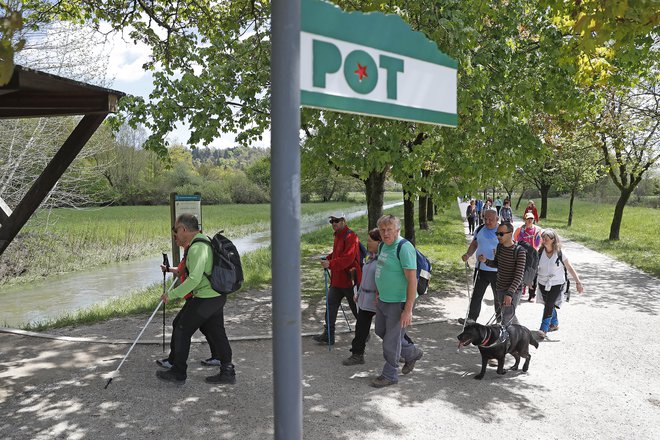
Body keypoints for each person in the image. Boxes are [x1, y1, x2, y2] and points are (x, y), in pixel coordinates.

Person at [156, 214, 235, 385]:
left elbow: (194, 279)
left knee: (182, 328)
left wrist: (172, 295)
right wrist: (171, 270)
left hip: (206, 297)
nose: (175, 234)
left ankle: (178, 372)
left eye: (176, 230)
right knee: (216, 332)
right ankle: (227, 372)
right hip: (216, 296)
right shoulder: (202, 241)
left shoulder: (197, 247)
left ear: (184, 229)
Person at [371, 214, 423, 388]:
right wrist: (379, 292)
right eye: (382, 230)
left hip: (399, 302)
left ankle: (390, 374)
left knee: (391, 341)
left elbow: (412, 280)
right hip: (384, 299)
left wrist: (408, 310)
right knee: (381, 331)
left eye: (389, 230)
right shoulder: (382, 247)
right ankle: (412, 353)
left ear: (397, 230)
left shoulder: (404, 247)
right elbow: (381, 270)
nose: (385, 233)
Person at [156, 241, 224, 369]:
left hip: (198, 296)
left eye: (176, 234)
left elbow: (190, 276)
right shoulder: (193, 249)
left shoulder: (193, 249)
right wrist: (169, 269)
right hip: (205, 296)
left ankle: (174, 362)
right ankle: (218, 357)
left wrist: (171, 294)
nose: (176, 239)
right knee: (209, 327)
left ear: (184, 232)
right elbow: (182, 270)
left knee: (180, 326)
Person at [313, 212, 361, 345]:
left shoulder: (351, 236)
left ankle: (364, 332)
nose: (334, 223)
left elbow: (348, 258)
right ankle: (328, 334)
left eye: (337, 220)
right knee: (330, 305)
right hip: (337, 280)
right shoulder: (338, 236)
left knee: (356, 309)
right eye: (332, 221)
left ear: (343, 221)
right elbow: (337, 253)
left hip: (349, 280)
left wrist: (331, 264)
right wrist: (328, 258)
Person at [342, 228, 381, 366]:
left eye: (371, 240)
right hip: (365, 299)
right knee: (361, 327)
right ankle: (357, 354)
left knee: (388, 329)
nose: (368, 243)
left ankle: (407, 350)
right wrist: (358, 293)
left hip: (379, 301)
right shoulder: (369, 257)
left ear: (379, 242)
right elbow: (365, 277)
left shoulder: (384, 259)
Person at [536, 229, 584, 339]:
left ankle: (543, 328)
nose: (544, 240)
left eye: (547, 239)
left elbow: (570, 268)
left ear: (553, 240)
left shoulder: (560, 253)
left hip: (557, 283)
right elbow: (534, 267)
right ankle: (554, 323)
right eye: (543, 238)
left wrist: (578, 282)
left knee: (549, 303)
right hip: (543, 282)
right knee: (547, 303)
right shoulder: (540, 252)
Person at [478, 221, 526, 326]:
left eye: (501, 234)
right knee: (507, 315)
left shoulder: (520, 251)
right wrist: (485, 261)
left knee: (506, 319)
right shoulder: (500, 247)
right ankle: (521, 335)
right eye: (497, 233)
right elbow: (497, 264)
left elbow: (519, 276)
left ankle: (506, 340)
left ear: (510, 233)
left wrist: (509, 294)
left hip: (512, 290)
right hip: (500, 288)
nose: (498, 236)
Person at [460, 208, 500, 324]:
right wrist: (468, 254)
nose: (487, 222)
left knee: (498, 297)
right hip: (481, 268)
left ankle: (500, 321)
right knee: (476, 295)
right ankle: (471, 319)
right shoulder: (480, 229)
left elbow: (510, 247)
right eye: (485, 218)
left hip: (497, 270)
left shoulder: (502, 230)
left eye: (491, 220)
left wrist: (498, 254)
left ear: (497, 219)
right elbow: (474, 243)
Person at [514, 212, 542, 300]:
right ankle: (523, 287)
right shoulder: (520, 229)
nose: (530, 221)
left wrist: (537, 237)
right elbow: (516, 240)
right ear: (525, 220)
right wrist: (522, 234)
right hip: (523, 253)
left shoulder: (537, 230)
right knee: (522, 270)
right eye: (528, 219)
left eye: (531, 219)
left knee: (533, 272)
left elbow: (538, 243)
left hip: (533, 253)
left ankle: (532, 294)